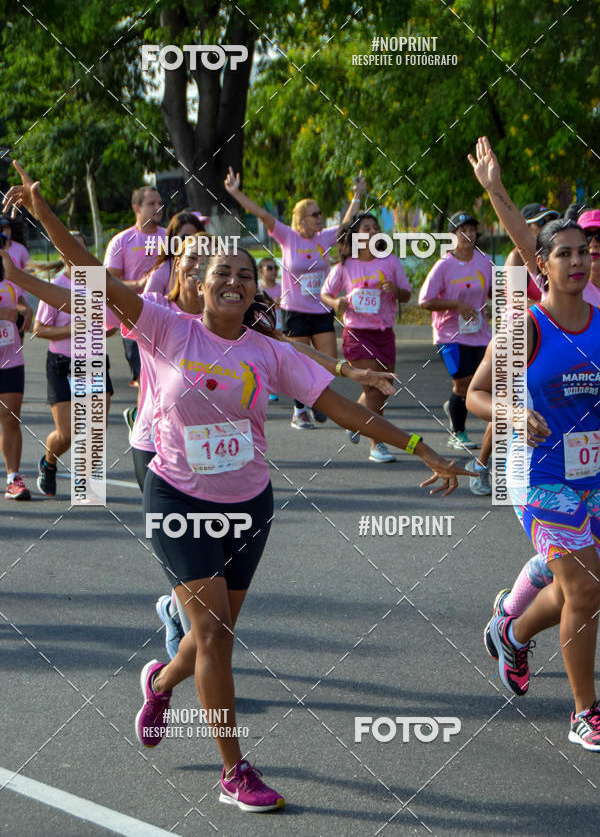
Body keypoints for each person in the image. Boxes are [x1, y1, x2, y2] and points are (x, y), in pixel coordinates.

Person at [4, 161, 468, 811]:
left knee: (208, 638)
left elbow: (342, 408)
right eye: (222, 271)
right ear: (199, 283)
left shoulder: (268, 351)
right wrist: (44, 213)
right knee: (217, 634)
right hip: (177, 495)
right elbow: (92, 277)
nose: (233, 280)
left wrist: (422, 447)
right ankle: (235, 770)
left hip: (250, 503)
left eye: (245, 275)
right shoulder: (166, 326)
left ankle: (159, 683)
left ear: (255, 290)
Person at [467, 136, 600, 750]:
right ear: (541, 264)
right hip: (540, 475)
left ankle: (513, 632)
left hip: (593, 473)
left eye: (584, 253)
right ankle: (584, 712)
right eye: (564, 253)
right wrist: (513, 415)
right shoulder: (527, 327)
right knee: (584, 588)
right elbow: (477, 395)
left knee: (584, 588)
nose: (577, 261)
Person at [224, 166, 366, 428]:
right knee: (298, 360)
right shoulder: (288, 236)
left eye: (321, 214)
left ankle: (313, 400)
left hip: (321, 309)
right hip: (296, 310)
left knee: (328, 360)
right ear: (301, 220)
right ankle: (299, 409)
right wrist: (235, 192)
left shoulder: (324, 238)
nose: (320, 218)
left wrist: (358, 195)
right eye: (315, 214)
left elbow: (347, 223)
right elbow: (262, 214)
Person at [0, 238, 115, 497]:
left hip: (93, 362)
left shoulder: (98, 284)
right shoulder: (56, 287)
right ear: (62, 254)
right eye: (69, 248)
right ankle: (49, 461)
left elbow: (110, 320)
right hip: (64, 364)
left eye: (80, 248)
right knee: (68, 432)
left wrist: (108, 328)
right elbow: (39, 329)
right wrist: (71, 330)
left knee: (96, 427)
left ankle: (85, 482)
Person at [321, 215, 410, 462]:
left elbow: (406, 295)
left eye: (375, 228)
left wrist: (395, 290)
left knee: (383, 389)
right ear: (356, 236)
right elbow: (325, 293)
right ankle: (377, 444)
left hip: (384, 333)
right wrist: (336, 303)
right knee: (373, 387)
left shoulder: (390, 261)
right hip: (357, 333)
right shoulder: (346, 266)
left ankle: (356, 419)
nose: (372, 232)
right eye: (366, 228)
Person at [418, 211, 493, 451]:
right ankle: (457, 433)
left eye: (472, 229)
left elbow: (495, 291)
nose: (468, 234)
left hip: (480, 334)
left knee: (483, 383)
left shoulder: (485, 261)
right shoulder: (444, 265)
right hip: (449, 335)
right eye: (463, 231)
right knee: (462, 383)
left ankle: (454, 407)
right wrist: (457, 305)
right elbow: (425, 301)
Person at [104, 186, 165, 400]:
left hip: (167, 319)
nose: (158, 208)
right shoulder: (121, 241)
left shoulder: (171, 238)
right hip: (134, 319)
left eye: (160, 203)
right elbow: (108, 282)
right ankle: (142, 417)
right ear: (136, 208)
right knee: (143, 379)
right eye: (152, 204)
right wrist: (139, 283)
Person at [0, 249, 30, 499]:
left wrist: (25, 311)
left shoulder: (8, 275)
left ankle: (13, 478)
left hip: (10, 358)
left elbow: (21, 301)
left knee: (10, 417)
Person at [143, 210, 205, 297]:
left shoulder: (209, 267)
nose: (191, 243)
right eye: (185, 238)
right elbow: (147, 303)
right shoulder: (160, 273)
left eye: (196, 238)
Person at [257, 257, 281, 401]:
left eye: (275, 268)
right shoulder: (258, 289)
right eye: (269, 268)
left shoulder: (282, 288)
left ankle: (273, 386)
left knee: (276, 359)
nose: (273, 271)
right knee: (265, 359)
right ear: (261, 271)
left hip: (279, 327)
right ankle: (266, 387)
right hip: (262, 328)